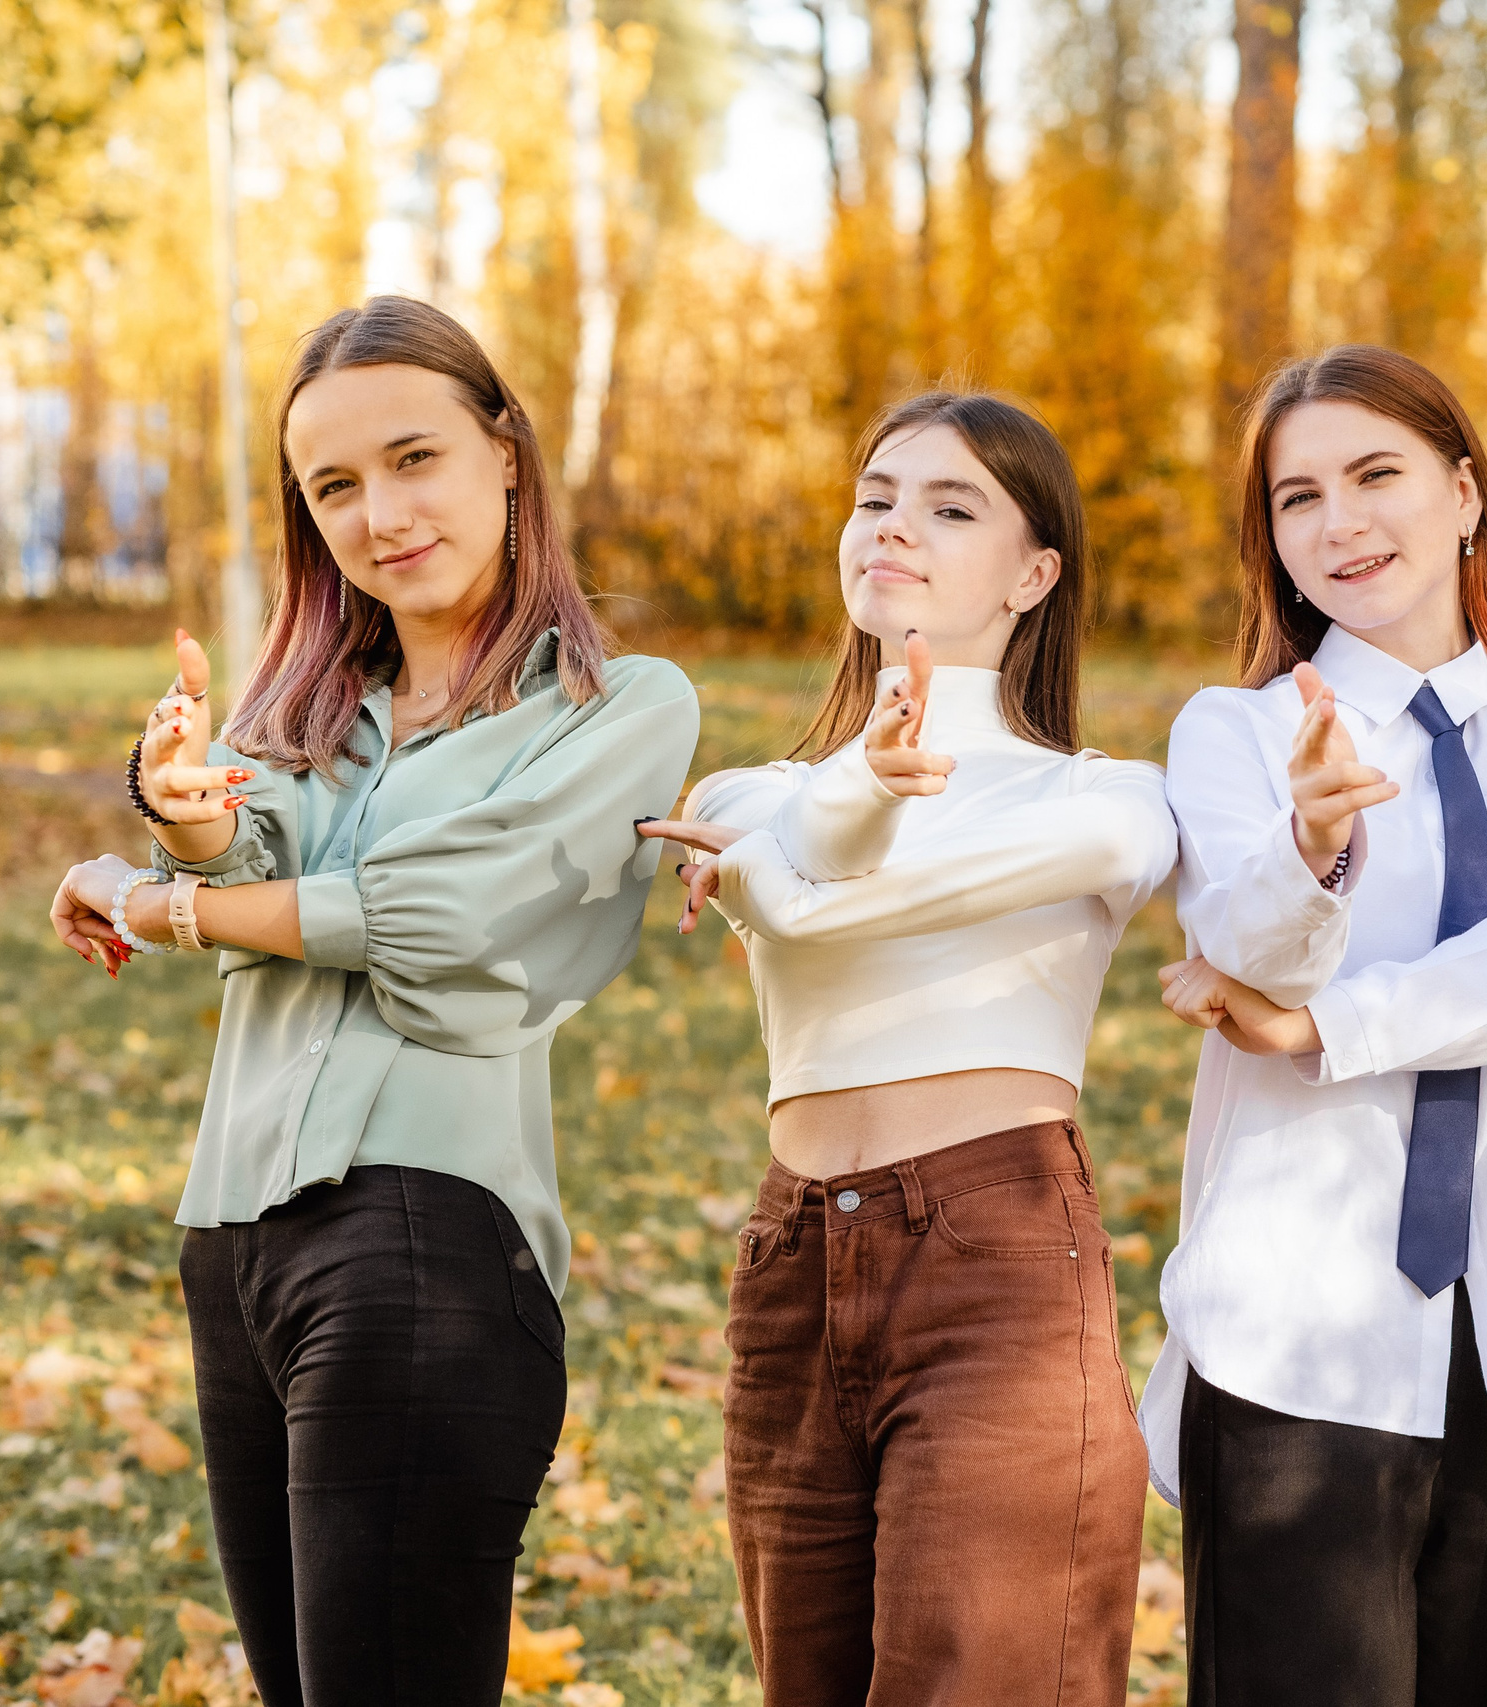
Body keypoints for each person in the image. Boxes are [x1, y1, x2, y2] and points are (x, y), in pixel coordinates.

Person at [45, 296, 700, 1707]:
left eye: (415, 460)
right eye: (333, 485)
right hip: (230, 1242)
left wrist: (159, 903)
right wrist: (183, 814)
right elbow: (255, 854)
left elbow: (437, 917)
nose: (380, 515)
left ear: (506, 453)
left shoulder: (619, 706)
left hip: (423, 1241)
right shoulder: (309, 715)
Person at [635, 391, 1176, 1707]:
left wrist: (775, 876)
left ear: (1034, 575)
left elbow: (813, 900)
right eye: (876, 497)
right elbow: (822, 852)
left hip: (997, 1266)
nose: (894, 526)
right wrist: (832, 810)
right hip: (793, 1266)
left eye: (951, 506)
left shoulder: (1105, 796)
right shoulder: (755, 793)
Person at [1147, 345, 1487, 1706]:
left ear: (1466, 495)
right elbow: (1245, 952)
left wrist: (1329, 1027)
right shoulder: (1233, 734)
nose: (1341, 523)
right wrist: (1313, 845)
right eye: (1298, 498)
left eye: (1377, 475)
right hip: (1291, 1320)